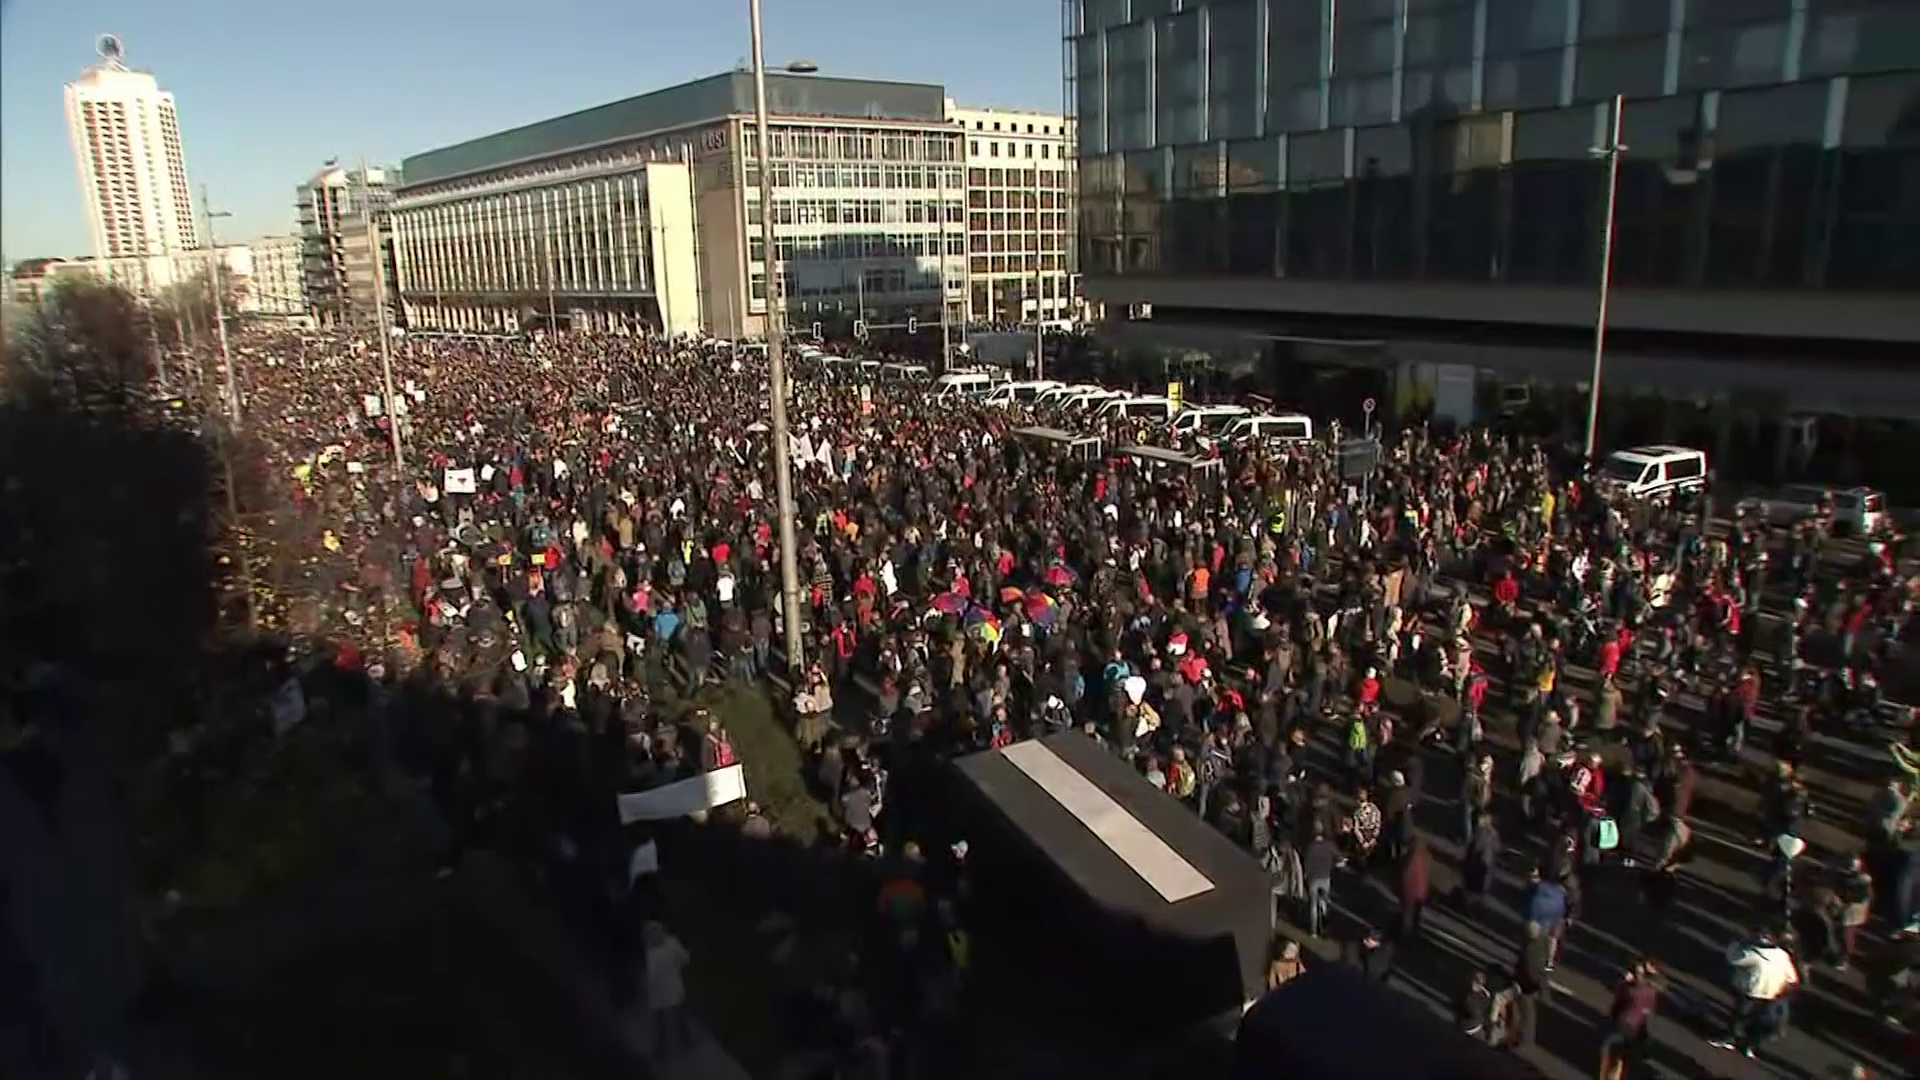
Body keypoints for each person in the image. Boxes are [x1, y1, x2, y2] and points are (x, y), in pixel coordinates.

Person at [1711, 931, 1800, 1058]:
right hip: (1772, 994)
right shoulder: (1782, 956)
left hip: (1751, 992)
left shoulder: (1752, 955)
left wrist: (1737, 943)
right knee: (1761, 1022)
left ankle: (1729, 1039)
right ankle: (1748, 1045)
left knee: (1739, 1017)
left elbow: (1732, 957)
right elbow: (1792, 978)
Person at [642, 920, 693, 1059]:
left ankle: (662, 1050)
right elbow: (685, 959)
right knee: (679, 1017)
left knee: (663, 1023)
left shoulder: (652, 952)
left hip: (661, 995)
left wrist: (649, 992)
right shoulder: (672, 943)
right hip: (675, 990)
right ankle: (686, 1042)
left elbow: (651, 977)